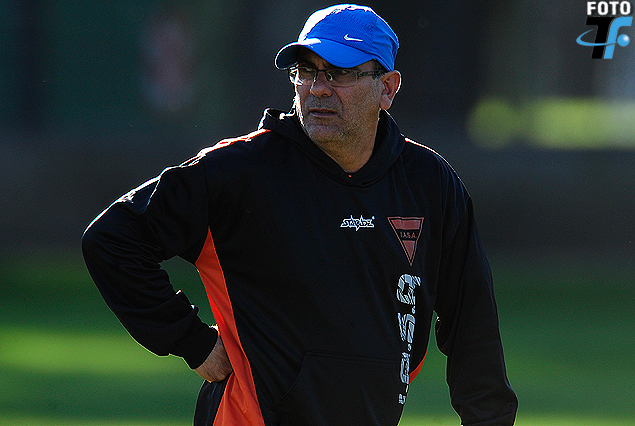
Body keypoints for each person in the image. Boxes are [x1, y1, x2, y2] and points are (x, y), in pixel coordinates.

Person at [82, 4, 518, 426]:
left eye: (340, 73)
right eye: (306, 71)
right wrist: (190, 340)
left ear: (387, 88)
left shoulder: (429, 183)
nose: (317, 88)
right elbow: (112, 239)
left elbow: (471, 320)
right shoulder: (239, 171)